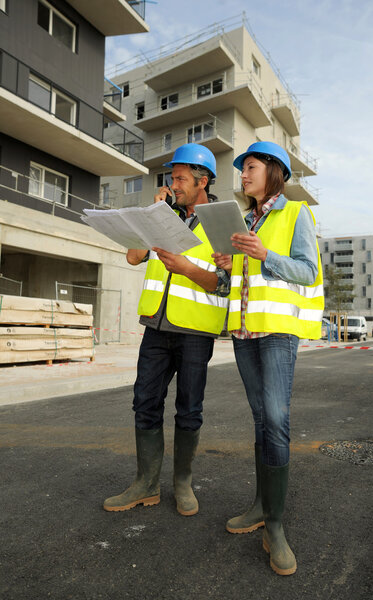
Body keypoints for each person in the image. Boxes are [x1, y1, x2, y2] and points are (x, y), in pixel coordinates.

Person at [213, 141, 324, 575]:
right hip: (244, 331)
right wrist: (228, 264)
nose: (243, 174)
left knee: (276, 418)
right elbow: (233, 281)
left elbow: (307, 270)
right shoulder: (241, 219)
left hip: (277, 332)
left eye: (250, 167)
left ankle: (275, 526)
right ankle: (261, 506)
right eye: (242, 170)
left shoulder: (296, 214)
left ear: (273, 171)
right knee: (260, 419)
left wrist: (265, 256)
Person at [103, 143, 229, 517]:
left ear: (202, 181)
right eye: (171, 178)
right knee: (145, 402)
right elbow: (133, 257)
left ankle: (183, 484)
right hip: (157, 325)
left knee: (189, 410)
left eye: (180, 178)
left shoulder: (220, 220)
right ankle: (146, 484)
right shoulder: (163, 214)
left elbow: (224, 282)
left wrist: (187, 268)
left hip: (195, 331)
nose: (173, 184)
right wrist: (153, 213)